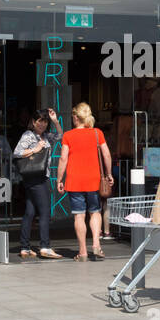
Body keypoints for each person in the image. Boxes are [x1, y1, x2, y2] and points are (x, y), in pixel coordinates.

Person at [56, 102, 113, 260]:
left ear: (75, 117)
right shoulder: (97, 133)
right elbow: (106, 155)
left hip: (74, 181)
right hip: (94, 180)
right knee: (95, 212)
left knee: (79, 216)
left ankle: (82, 252)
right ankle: (96, 244)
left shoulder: (68, 135)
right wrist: (109, 174)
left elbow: (63, 159)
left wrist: (59, 179)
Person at [13, 108, 63, 259]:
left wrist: (55, 121)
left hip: (38, 177)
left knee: (30, 212)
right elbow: (17, 153)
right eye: (39, 121)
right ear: (33, 122)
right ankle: (45, 246)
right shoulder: (28, 135)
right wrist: (35, 149)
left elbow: (61, 136)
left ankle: (25, 247)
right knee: (45, 212)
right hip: (36, 178)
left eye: (45, 121)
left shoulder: (46, 136)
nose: (42, 124)